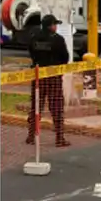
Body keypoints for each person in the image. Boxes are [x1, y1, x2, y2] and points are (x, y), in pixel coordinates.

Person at [26, 14, 71, 147]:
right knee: (57, 108)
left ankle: (30, 136)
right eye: (55, 24)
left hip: (38, 76)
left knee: (36, 107)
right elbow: (65, 57)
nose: (56, 27)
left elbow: (31, 53)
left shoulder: (34, 38)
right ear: (51, 25)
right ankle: (59, 138)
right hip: (53, 77)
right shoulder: (57, 39)